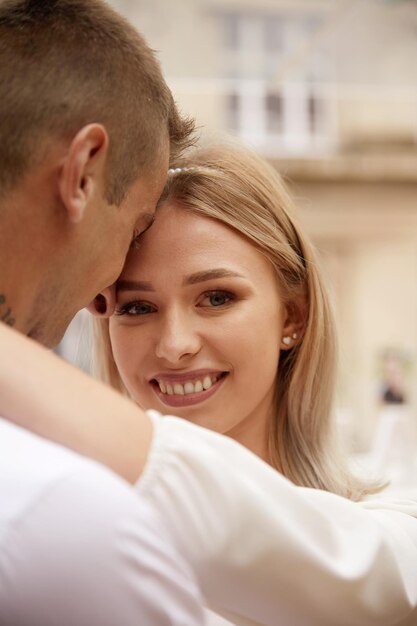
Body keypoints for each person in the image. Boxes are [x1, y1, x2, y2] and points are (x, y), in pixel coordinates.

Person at [2, 142, 417, 624]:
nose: (174, 344)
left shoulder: (399, 521)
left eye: (216, 298)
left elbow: (355, 581)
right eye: (137, 307)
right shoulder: (63, 545)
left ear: (293, 316)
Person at [0, 1, 205, 624]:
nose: (103, 298)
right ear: (83, 173)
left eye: (216, 297)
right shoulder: (67, 520)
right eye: (136, 225)